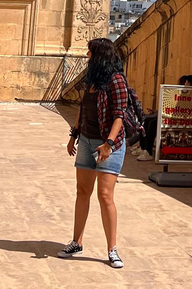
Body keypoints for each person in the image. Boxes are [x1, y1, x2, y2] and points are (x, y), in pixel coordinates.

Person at [61, 38, 127, 268]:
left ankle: (112, 249)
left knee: (105, 195)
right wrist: (73, 136)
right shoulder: (91, 80)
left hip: (110, 145)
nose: (87, 56)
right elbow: (82, 109)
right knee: (82, 191)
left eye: (90, 53)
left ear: (99, 55)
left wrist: (108, 144)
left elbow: (119, 114)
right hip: (87, 141)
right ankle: (76, 242)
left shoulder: (116, 80)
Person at [136, 74, 192, 162]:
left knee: (153, 124)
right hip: (173, 119)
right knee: (147, 120)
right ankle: (144, 148)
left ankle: (148, 151)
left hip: (181, 122)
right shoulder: (180, 96)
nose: (185, 85)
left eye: (187, 83)